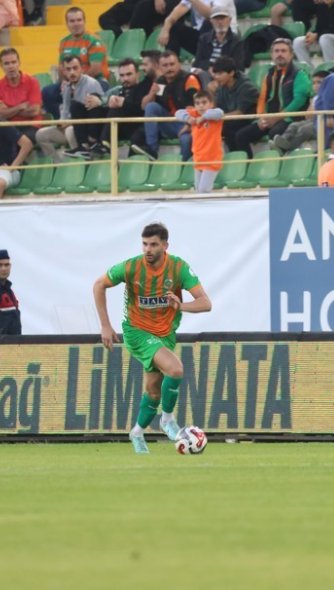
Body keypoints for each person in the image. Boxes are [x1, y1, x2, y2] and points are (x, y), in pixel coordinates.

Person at [92, 222, 212, 454]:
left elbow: (206, 303)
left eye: (154, 244)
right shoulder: (131, 267)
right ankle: (167, 419)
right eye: (145, 244)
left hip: (164, 334)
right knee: (175, 369)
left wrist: (181, 306)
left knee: (154, 392)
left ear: (165, 245)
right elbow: (99, 285)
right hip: (136, 331)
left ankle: (137, 432)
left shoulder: (178, 268)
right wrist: (105, 325)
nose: (148, 249)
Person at [232, 38, 311, 158]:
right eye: (277, 51)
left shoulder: (299, 74)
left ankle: (276, 167)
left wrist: (277, 117)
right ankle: (249, 166)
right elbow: (262, 99)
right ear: (272, 55)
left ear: (291, 54)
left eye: (283, 51)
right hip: (270, 118)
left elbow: (299, 101)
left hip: (290, 118)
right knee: (240, 136)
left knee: (274, 133)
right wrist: (261, 117)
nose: (280, 54)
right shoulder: (269, 74)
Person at [130, 50, 201, 161]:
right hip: (169, 122)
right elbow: (144, 107)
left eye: (172, 64)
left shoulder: (190, 79)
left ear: (179, 64)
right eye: (165, 65)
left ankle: (183, 168)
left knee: (186, 140)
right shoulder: (160, 81)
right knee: (151, 107)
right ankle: (152, 151)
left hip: (187, 123)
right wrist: (151, 94)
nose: (169, 68)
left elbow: (198, 107)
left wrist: (188, 125)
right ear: (160, 67)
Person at [41, 7, 108, 119]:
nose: (76, 24)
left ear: (84, 21)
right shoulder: (64, 42)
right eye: (72, 21)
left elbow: (96, 69)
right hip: (71, 82)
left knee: (91, 90)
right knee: (48, 92)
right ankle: (63, 122)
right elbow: (62, 68)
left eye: (79, 20)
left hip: (95, 81)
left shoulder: (94, 40)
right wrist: (65, 83)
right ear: (67, 24)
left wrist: (77, 83)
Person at [35, 55, 104, 161]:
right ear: (64, 72)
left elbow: (93, 114)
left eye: (75, 68)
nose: (72, 72)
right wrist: (61, 121)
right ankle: (58, 165)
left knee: (70, 131)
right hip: (68, 126)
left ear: (82, 68)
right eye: (68, 69)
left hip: (87, 130)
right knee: (41, 135)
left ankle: (83, 163)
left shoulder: (91, 84)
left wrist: (69, 122)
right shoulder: (67, 86)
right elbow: (66, 110)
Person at [86, 58, 153, 159]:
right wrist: (98, 101)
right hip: (117, 127)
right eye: (122, 75)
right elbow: (103, 100)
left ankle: (104, 143)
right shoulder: (117, 90)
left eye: (129, 74)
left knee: (116, 107)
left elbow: (142, 109)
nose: (125, 79)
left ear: (138, 74)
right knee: (93, 103)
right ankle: (91, 142)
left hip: (135, 126)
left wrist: (122, 103)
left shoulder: (143, 88)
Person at [0, 48, 43, 143]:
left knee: (19, 141)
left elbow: (34, 111)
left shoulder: (32, 82)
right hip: (9, 126)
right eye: (6, 63)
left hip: (31, 125)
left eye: (13, 62)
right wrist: (20, 107)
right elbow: (0, 115)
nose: (11, 66)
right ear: (1, 66)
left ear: (19, 63)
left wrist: (9, 110)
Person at [176, 90, 224, 193]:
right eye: (197, 103)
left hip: (212, 159)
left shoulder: (214, 115)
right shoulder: (194, 113)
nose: (201, 106)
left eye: (204, 102)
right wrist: (187, 118)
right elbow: (178, 113)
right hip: (198, 159)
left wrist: (203, 118)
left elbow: (219, 112)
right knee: (198, 190)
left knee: (203, 190)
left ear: (211, 104)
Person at [271, 70, 330, 153]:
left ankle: (289, 148)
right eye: (313, 83)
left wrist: (314, 110)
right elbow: (307, 116)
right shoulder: (315, 98)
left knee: (304, 129)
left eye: (319, 82)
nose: (316, 86)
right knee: (294, 125)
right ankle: (283, 140)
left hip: (324, 124)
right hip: (313, 121)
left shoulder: (331, 97)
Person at [208, 56, 260, 149]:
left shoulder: (246, 87)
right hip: (231, 120)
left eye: (220, 73)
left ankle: (244, 159)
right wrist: (211, 93)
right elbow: (216, 109)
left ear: (231, 73)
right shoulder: (221, 87)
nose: (216, 77)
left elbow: (240, 112)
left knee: (228, 129)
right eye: (215, 74)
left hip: (249, 120)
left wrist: (218, 118)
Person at [192, 5, 245, 76]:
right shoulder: (204, 39)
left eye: (222, 18)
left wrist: (216, 70)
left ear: (229, 20)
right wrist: (210, 68)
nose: (220, 22)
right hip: (207, 74)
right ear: (211, 21)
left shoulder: (236, 41)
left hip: (226, 77)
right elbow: (197, 63)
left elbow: (238, 67)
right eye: (216, 19)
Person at [292, 0, 334, 67]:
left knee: (325, 38)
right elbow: (320, 28)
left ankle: (330, 69)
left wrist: (317, 35)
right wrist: (312, 33)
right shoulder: (322, 7)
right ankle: (309, 72)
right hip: (323, 37)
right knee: (298, 42)